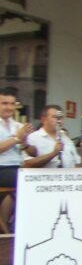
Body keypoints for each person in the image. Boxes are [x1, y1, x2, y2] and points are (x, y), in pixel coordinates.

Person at [0, 89, 33, 227]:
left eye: (12, 104)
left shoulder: (19, 126)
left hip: (18, 168)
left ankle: (13, 225)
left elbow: (32, 152)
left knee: (38, 178)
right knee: (29, 181)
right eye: (4, 103)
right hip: (2, 168)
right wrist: (17, 138)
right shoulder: (18, 131)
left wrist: (25, 143)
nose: (9, 107)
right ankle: (12, 226)